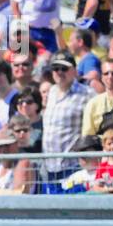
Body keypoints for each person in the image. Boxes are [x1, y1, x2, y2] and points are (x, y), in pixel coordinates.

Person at [41, 53, 94, 186]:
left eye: (64, 68)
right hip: (49, 168)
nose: (59, 72)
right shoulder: (51, 92)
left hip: (73, 166)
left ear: (75, 71)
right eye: (56, 68)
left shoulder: (88, 94)